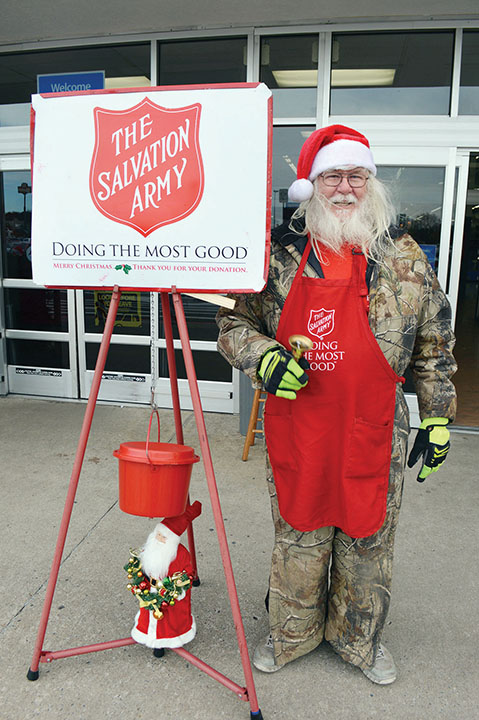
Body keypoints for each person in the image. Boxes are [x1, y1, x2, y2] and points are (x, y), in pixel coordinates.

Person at [216, 124, 457, 685]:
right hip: (301, 423)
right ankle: (290, 636)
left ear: (369, 184)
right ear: (313, 184)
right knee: (300, 534)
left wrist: (438, 417)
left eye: (355, 176)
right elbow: (232, 323)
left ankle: (359, 642)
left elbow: (433, 342)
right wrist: (263, 357)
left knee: (369, 536)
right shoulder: (279, 255)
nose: (344, 188)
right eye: (332, 176)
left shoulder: (403, 258)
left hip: (374, 426)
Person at [126, 501, 201, 650]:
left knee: (169, 620)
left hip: (168, 595)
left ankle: (169, 639)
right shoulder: (150, 548)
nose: (159, 538)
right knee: (148, 615)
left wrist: (175, 591)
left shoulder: (180, 555)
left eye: (164, 537)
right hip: (148, 589)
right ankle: (147, 634)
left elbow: (185, 576)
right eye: (158, 534)